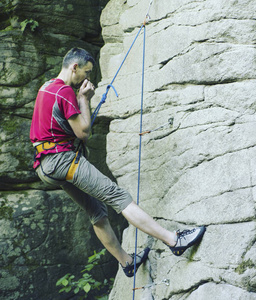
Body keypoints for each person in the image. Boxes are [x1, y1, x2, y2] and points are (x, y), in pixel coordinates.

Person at [30, 47, 206, 277]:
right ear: (74, 68)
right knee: (119, 197)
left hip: (45, 166)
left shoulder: (46, 87)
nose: (88, 78)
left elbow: (54, 127)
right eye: (87, 72)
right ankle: (174, 241)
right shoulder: (64, 92)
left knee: (96, 211)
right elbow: (83, 132)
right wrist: (84, 98)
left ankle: (127, 262)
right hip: (62, 160)